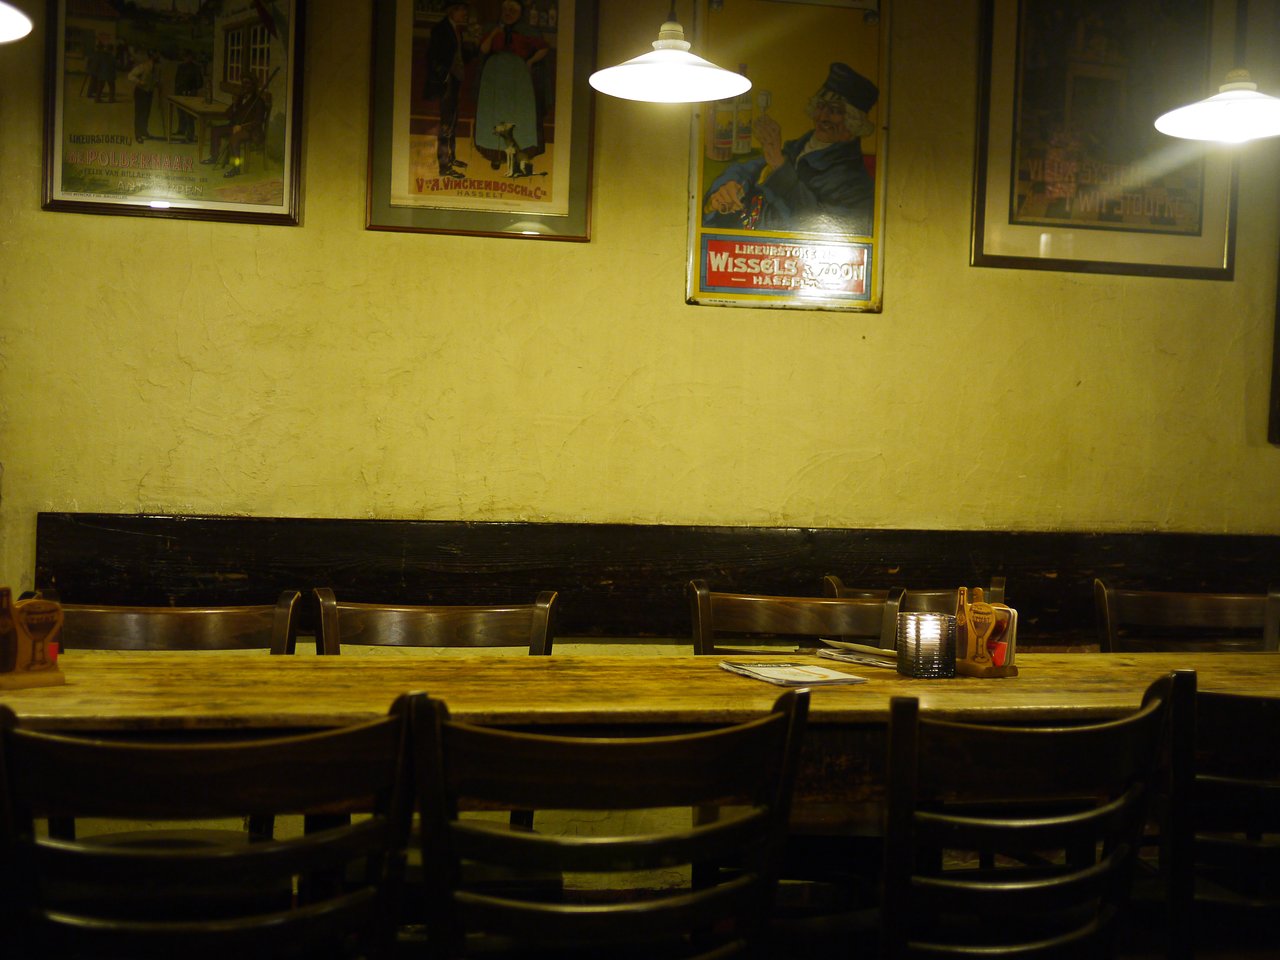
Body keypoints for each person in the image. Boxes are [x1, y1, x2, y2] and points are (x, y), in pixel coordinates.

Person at [702, 62, 878, 237]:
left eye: (834, 111)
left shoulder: (856, 185)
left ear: (854, 121)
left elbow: (813, 224)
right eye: (821, 106)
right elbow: (746, 169)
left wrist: (780, 167)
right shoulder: (800, 146)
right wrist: (728, 186)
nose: (823, 117)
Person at [473, 0, 548, 169]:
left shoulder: (527, 32)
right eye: (505, 9)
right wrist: (493, 34)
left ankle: (516, 153)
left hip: (517, 75)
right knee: (494, 112)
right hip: (494, 73)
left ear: (520, 13)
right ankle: (495, 153)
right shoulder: (493, 28)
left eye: (513, 10)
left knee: (517, 112)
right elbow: (484, 49)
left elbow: (543, 49)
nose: (508, 13)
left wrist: (529, 62)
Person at [425, 3, 472, 179]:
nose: (465, 13)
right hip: (447, 83)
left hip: (455, 81)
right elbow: (433, 57)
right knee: (446, 124)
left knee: (452, 122)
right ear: (452, 10)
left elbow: (459, 55)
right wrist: (444, 76)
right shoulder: (441, 29)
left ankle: (451, 158)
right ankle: (444, 167)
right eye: (462, 9)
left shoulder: (456, 29)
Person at [201, 74, 268, 177]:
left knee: (234, 138)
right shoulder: (240, 98)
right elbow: (227, 115)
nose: (244, 86)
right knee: (215, 130)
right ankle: (214, 157)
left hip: (250, 131)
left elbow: (258, 121)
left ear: (253, 86)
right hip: (234, 126)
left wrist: (242, 127)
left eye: (248, 83)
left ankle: (236, 167)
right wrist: (234, 105)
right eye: (243, 83)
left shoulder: (259, 102)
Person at [127, 50, 160, 143]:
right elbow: (130, 75)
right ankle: (138, 134)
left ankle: (144, 130)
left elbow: (155, 78)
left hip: (149, 92)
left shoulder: (156, 68)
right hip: (141, 92)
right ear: (152, 57)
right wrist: (139, 81)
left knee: (146, 112)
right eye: (156, 55)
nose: (158, 57)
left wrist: (156, 83)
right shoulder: (143, 66)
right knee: (139, 113)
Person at [173, 50, 203, 142]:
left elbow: (200, 83)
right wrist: (178, 91)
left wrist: (192, 90)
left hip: (191, 94)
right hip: (180, 92)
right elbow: (177, 80)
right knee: (180, 112)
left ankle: (190, 134)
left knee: (189, 114)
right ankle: (181, 129)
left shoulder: (196, 68)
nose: (187, 59)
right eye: (186, 57)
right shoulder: (180, 67)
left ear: (192, 58)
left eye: (189, 57)